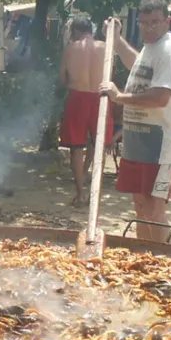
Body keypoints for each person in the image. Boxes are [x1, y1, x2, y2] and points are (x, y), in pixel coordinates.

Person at [100, 0, 171, 243]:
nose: (149, 28)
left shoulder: (169, 51)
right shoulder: (152, 48)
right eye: (144, 23)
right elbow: (136, 64)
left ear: (167, 21)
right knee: (140, 205)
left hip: (161, 146)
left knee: (154, 208)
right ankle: (142, 259)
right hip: (139, 143)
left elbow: (161, 97)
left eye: (155, 22)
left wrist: (119, 97)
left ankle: (162, 264)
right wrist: (117, 42)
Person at [59, 16, 111, 206]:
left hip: (77, 97)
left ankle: (80, 194)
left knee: (76, 148)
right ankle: (94, 194)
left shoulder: (70, 48)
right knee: (99, 146)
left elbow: (62, 79)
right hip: (100, 96)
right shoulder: (105, 47)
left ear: (75, 30)